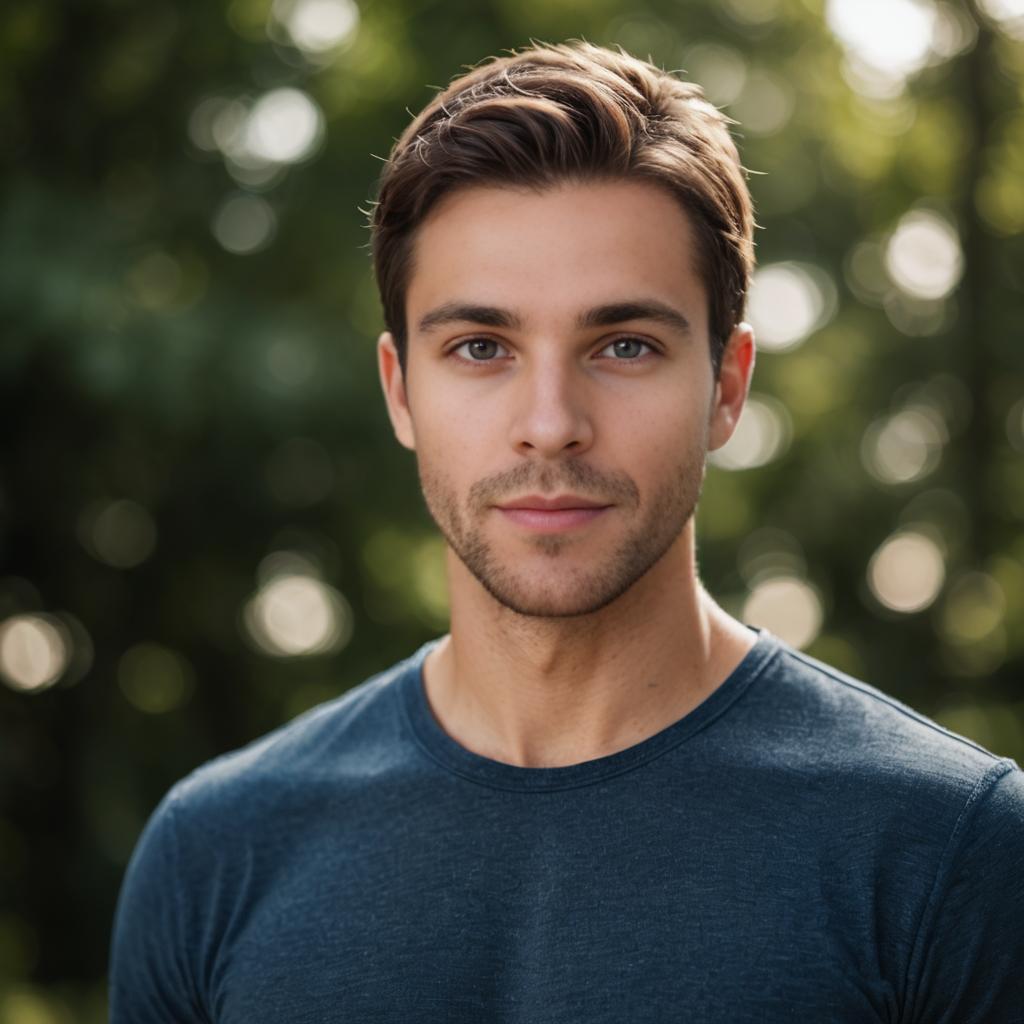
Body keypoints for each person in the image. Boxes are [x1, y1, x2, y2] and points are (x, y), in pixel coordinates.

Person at [108, 40, 1024, 1022]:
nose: (549, 420)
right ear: (400, 390)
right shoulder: (216, 853)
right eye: (479, 347)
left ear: (725, 386)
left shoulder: (948, 847)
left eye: (623, 345)